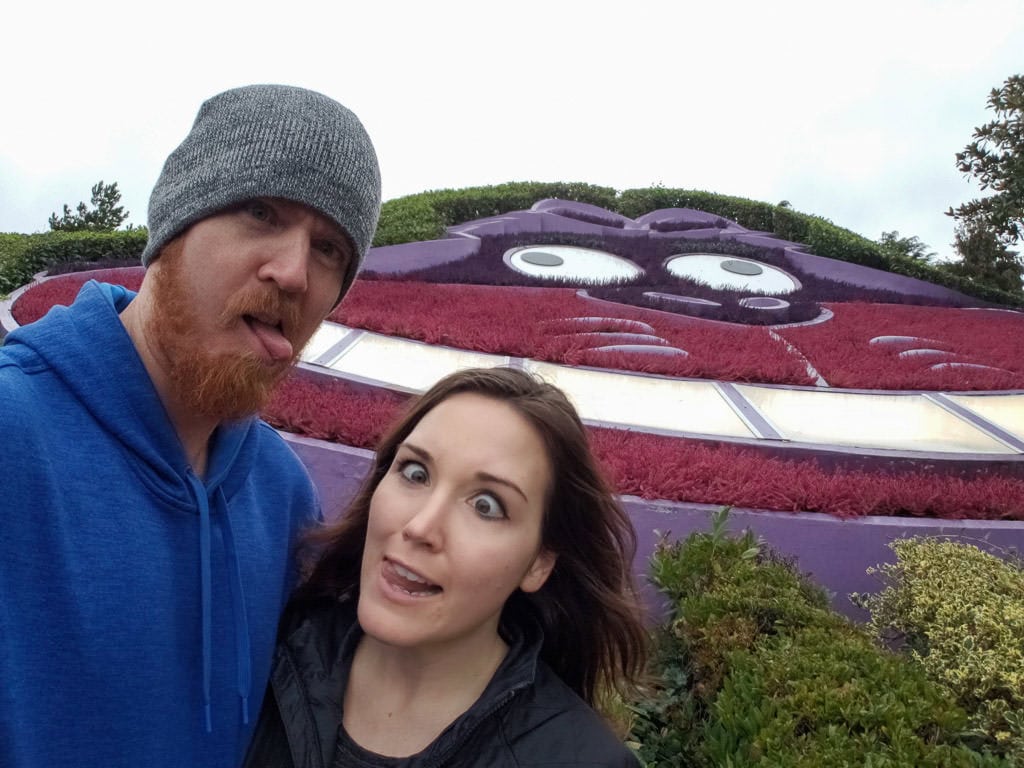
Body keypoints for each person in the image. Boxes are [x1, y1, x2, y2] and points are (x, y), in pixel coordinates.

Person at [0, 84, 381, 768]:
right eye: (261, 211)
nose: (293, 273)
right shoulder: (13, 433)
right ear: (175, 227)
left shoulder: (283, 492)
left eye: (329, 249)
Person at [243, 366, 648, 768]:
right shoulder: (264, 651)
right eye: (415, 473)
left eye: (486, 505)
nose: (421, 527)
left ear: (539, 564)